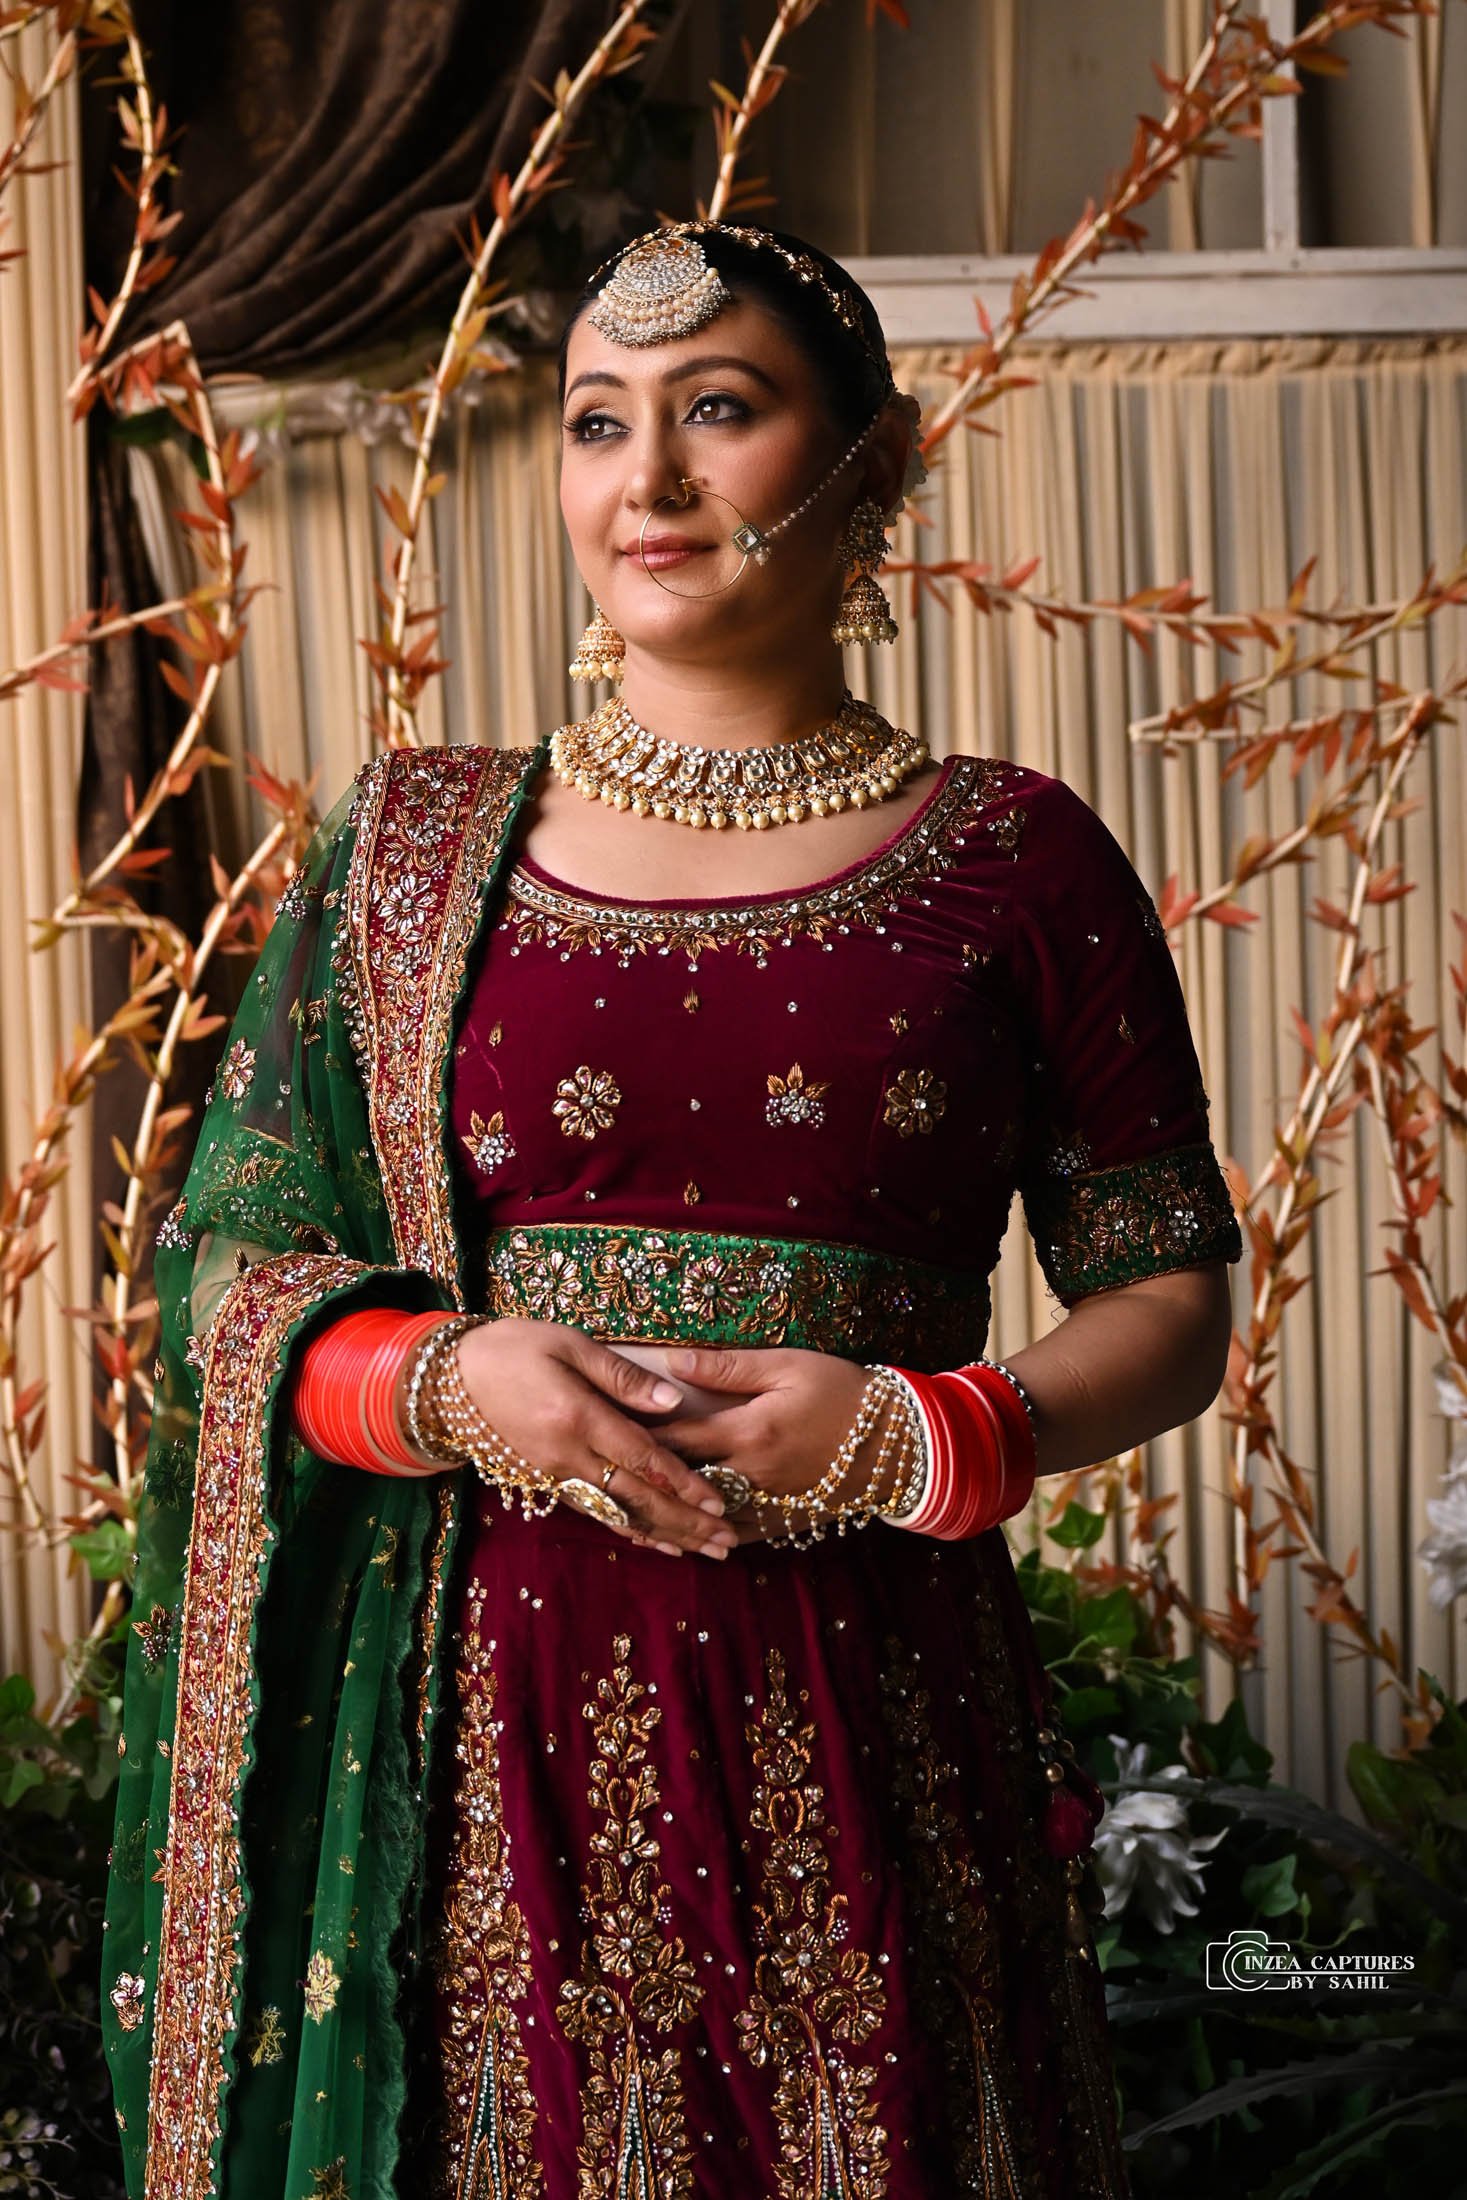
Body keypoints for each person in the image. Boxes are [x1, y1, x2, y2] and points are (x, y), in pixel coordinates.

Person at [103, 220, 1241, 2200]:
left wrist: (917, 1432)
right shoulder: (412, 849)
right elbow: (232, 1286)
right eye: (597, 422)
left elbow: (1164, 1293)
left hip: (871, 1697)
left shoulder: (1012, 856)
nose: (646, 481)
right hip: (482, 1737)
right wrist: (454, 1381)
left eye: (717, 409)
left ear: (871, 467)